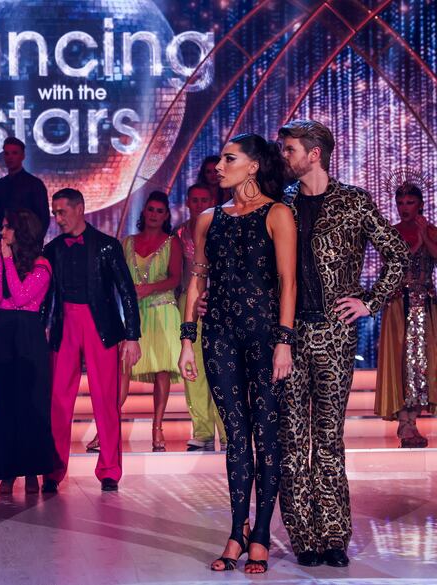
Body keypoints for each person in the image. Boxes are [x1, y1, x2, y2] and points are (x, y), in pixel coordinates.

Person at [276, 119, 409, 568]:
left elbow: (398, 253)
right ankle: (303, 537)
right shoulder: (284, 204)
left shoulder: (354, 201)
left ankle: (334, 535)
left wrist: (370, 301)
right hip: (290, 336)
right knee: (293, 438)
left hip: (334, 334)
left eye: (290, 149)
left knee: (328, 436)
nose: (284, 156)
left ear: (314, 153)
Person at [179, 134, 297, 574]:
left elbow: (288, 281)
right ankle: (236, 530)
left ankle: (262, 534)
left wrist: (284, 340)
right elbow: (198, 280)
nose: (219, 166)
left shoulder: (278, 213)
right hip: (220, 335)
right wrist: (187, 338)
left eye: (230, 159)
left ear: (252, 166)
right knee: (235, 437)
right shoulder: (209, 218)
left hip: (266, 337)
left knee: (266, 435)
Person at [42, 188, 141, 493]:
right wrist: (39, 327)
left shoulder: (107, 246)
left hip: (101, 326)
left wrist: (132, 336)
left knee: (105, 400)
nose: (58, 219)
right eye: (55, 213)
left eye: (62, 212)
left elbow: (126, 291)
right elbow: (46, 295)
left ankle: (109, 470)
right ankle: (53, 470)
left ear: (80, 208)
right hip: (65, 325)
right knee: (59, 400)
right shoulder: (53, 248)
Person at [86, 191, 182, 453]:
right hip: (132, 315)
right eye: (150, 209)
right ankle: (104, 431)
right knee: (122, 373)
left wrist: (149, 288)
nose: (154, 214)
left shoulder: (172, 242)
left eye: (159, 211)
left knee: (162, 371)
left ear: (166, 215)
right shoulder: (127, 242)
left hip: (162, 311)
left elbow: (175, 279)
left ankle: (157, 428)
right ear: (144, 212)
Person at [0, 208, 55, 494]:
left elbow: (21, 295)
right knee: (4, 404)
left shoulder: (42, 264)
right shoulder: (3, 260)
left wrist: (8, 260)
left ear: (21, 231)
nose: (3, 232)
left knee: (31, 404)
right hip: (3, 335)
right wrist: (2, 261)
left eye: (7, 226)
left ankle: (32, 471)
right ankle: (7, 471)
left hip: (28, 337)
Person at [375, 180, 437, 445]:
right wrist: (417, 243)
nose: (404, 208)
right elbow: (393, 266)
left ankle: (412, 423)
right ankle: (405, 424)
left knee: (422, 364)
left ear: (420, 203)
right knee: (402, 362)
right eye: (400, 203)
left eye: (410, 202)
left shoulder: (431, 230)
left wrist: (425, 238)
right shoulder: (392, 232)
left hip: (425, 304)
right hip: (400, 305)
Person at [175, 183, 226, 452]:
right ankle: (203, 431)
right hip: (190, 300)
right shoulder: (180, 232)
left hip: (220, 299)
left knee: (221, 366)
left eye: (203, 199)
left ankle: (229, 433)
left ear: (213, 199)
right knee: (193, 367)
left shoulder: (223, 225)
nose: (198, 204)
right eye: (194, 199)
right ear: (187, 202)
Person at [0, 137, 50, 240]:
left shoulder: (35, 184)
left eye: (14, 153)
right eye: (7, 154)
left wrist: (35, 241)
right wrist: (7, 232)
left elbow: (43, 218)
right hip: (6, 241)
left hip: (29, 243)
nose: (10, 157)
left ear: (22, 156)